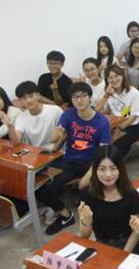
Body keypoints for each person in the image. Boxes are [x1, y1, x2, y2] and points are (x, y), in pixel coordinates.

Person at [40, 82, 111, 235]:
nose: (79, 100)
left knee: (88, 196)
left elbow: (103, 154)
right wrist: (53, 137)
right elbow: (56, 136)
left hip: (92, 162)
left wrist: (89, 174)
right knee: (42, 187)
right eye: (75, 97)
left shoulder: (102, 122)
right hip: (70, 160)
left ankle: (93, 223)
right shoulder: (68, 114)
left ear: (90, 97)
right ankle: (66, 216)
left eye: (83, 96)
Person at [78, 145, 139, 252]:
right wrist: (86, 221)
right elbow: (85, 236)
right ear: (95, 170)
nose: (108, 175)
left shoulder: (131, 194)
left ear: (120, 169)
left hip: (128, 245)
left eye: (113, 168)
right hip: (101, 244)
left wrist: (124, 253)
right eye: (102, 169)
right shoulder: (87, 194)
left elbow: (136, 232)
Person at [95, 65, 139, 156]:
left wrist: (119, 129)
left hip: (131, 126)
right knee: (96, 142)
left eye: (116, 76)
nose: (114, 80)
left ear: (122, 76)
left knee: (116, 148)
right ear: (107, 80)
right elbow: (97, 111)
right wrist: (106, 95)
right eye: (110, 78)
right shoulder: (108, 92)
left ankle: (113, 162)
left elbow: (133, 117)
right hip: (114, 125)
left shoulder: (134, 93)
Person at [9, 81, 63, 150]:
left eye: (31, 96)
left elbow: (65, 133)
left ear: (38, 95)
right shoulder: (20, 117)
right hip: (35, 153)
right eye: (24, 98)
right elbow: (16, 142)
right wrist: (10, 127)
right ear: (20, 101)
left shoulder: (55, 110)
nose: (28, 100)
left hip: (57, 150)